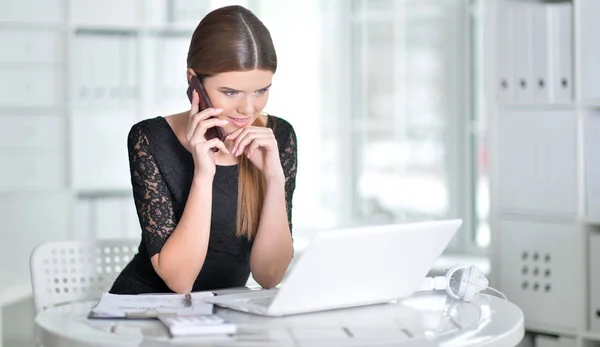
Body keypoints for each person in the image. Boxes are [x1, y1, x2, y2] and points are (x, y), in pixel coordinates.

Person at [109, 5, 297, 294]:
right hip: (147, 310)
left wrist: (274, 179)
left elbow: (269, 276)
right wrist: (203, 174)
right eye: (230, 92)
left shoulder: (277, 138)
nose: (248, 109)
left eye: (261, 91)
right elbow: (180, 281)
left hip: (223, 315)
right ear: (193, 81)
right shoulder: (149, 138)